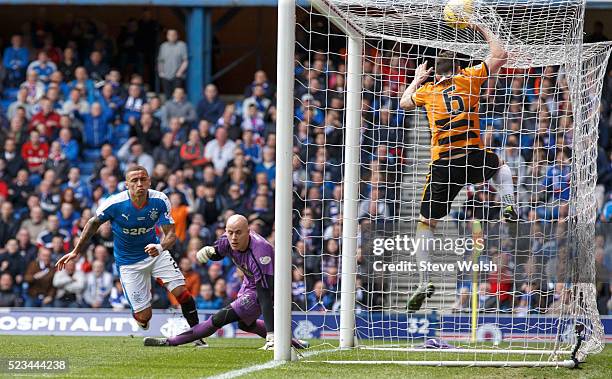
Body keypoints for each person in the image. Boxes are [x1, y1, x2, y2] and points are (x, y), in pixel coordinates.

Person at [399, 23, 517, 311]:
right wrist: (481, 27)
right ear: (458, 64)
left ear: (436, 72)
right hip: (472, 154)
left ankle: (424, 279)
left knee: (426, 224)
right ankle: (509, 203)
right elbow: (500, 55)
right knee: (500, 166)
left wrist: (416, 78)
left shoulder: (427, 91)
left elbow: (403, 103)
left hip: (443, 163)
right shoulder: (469, 78)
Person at [56, 165, 207, 346]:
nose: (139, 184)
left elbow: (171, 235)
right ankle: (141, 317)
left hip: (155, 253)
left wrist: (160, 247)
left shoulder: (160, 200)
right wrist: (76, 251)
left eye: (143, 179)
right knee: (144, 317)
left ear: (149, 181)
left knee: (183, 293)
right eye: (134, 180)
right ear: (127, 185)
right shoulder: (114, 203)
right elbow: (93, 222)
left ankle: (198, 335)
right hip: (128, 263)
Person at [143, 214, 308, 350]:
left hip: (270, 285)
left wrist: (271, 334)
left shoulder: (261, 252)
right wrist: (210, 252)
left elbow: (265, 294)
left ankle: (170, 341)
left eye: (238, 233)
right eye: (230, 232)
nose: (233, 237)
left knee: (218, 319)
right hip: (249, 282)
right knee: (246, 325)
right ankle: (293, 342)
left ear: (248, 232)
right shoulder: (227, 239)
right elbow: (219, 253)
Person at [157, 29, 189, 99]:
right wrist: (161, 72)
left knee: (178, 96)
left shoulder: (182, 45)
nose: (171, 36)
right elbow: (160, 61)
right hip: (166, 76)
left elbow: (185, 60)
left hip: (177, 76)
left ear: (177, 36)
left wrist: (179, 72)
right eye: (169, 35)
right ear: (167, 36)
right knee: (167, 96)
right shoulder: (163, 46)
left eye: (173, 35)